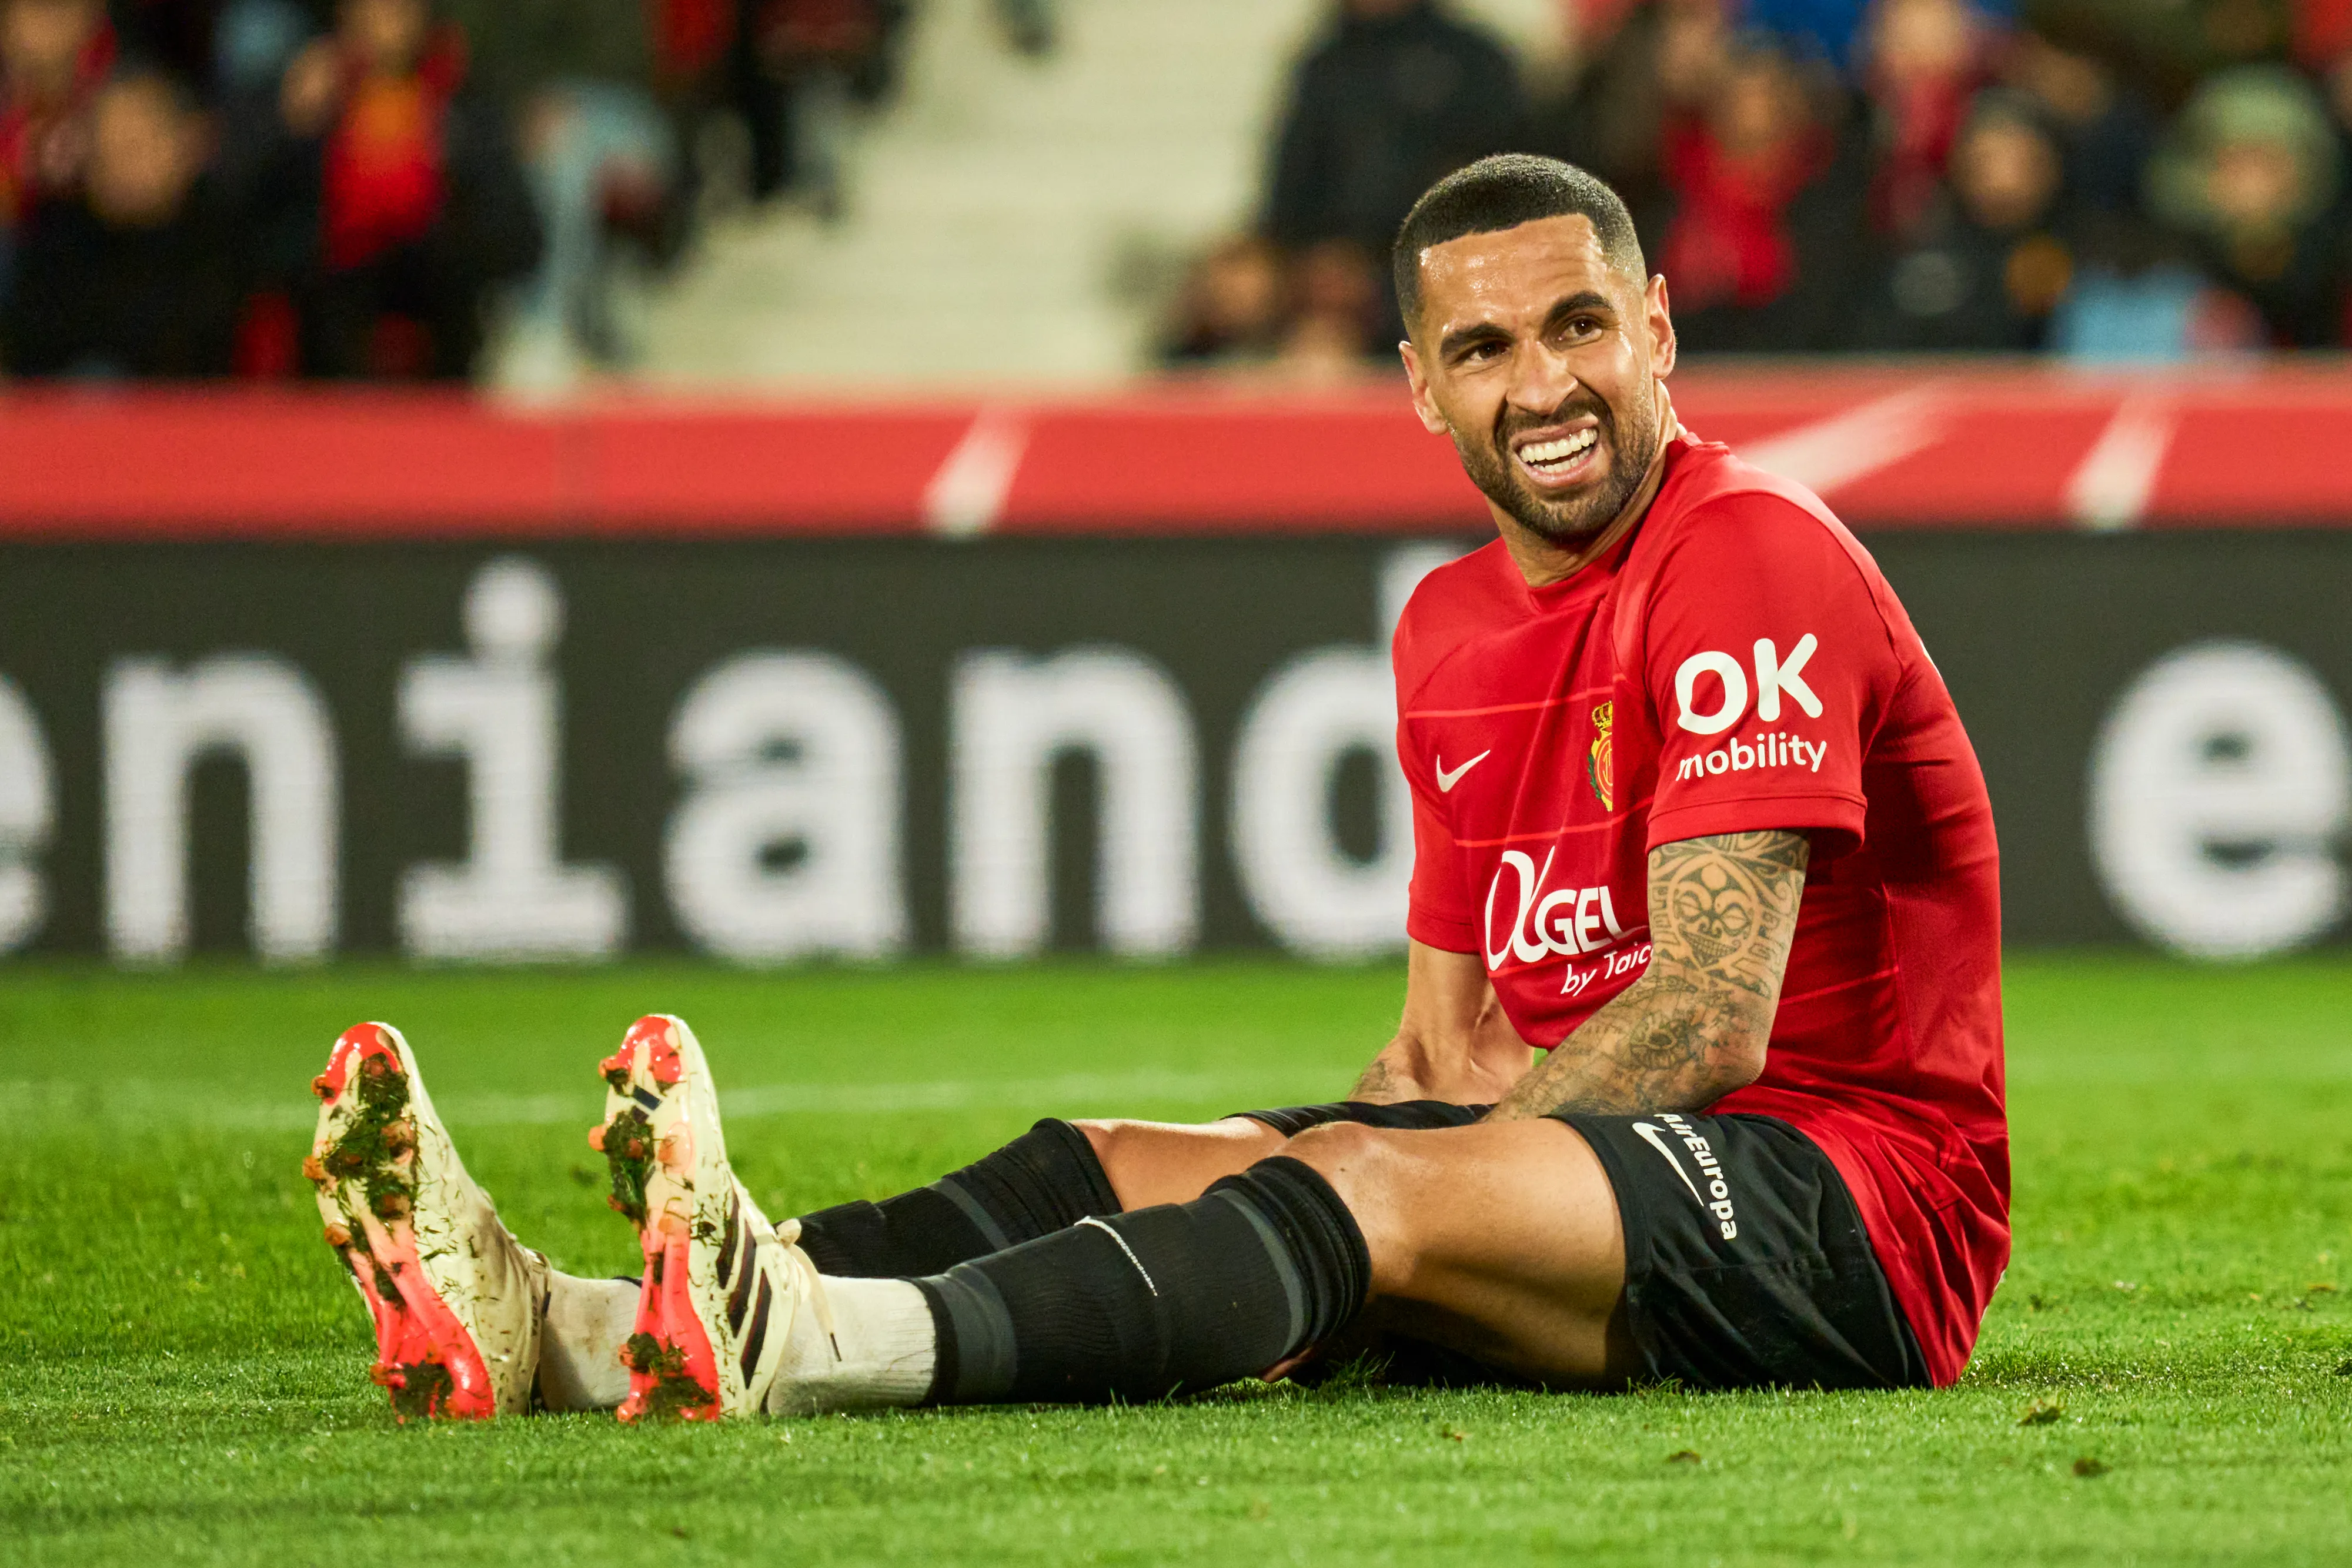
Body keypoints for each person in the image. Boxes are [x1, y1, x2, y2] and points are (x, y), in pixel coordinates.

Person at [305, 152, 2009, 1424]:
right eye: (1484, 348)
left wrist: (1380, 1201)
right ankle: (584, 1321)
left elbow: (1711, 1019)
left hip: (1846, 1200)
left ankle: (818, 1349)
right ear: (1422, 385)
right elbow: (1437, 1052)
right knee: (1122, 1158)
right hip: (1617, 1167)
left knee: (1354, 1189)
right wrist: (1335, 1178)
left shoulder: (1747, 555)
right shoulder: (1447, 627)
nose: (1543, 385)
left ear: (1658, 331)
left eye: (1579, 328)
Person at [2, 68, 242, 375]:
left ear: (188, 143)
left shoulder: (225, 239)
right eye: (104, 151)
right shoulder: (58, 244)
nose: (116, 166)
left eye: (134, 147)